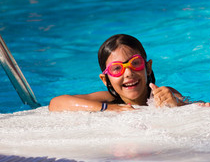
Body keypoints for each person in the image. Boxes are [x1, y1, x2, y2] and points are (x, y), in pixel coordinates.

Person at [49, 34, 186, 112]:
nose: (128, 73)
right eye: (116, 68)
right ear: (105, 79)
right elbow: (56, 103)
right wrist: (108, 109)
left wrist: (175, 103)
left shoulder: (163, 93)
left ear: (148, 67)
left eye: (135, 63)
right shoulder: (108, 99)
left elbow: (189, 108)